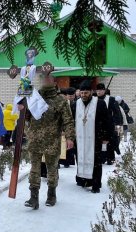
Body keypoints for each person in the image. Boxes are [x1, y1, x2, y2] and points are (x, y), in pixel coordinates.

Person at [18, 75, 75, 210]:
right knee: (34, 169)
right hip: (35, 139)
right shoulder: (34, 97)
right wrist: (22, 109)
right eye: (43, 79)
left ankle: (51, 194)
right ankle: (34, 197)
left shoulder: (60, 100)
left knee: (52, 169)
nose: (45, 81)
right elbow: (27, 116)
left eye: (48, 79)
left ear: (54, 82)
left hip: (52, 140)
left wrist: (70, 137)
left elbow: (68, 120)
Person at [71, 80, 113, 193]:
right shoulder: (75, 104)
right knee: (80, 158)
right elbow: (71, 122)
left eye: (86, 93)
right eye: (82, 93)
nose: (84, 95)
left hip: (95, 138)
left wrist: (106, 137)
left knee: (96, 162)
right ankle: (82, 180)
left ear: (91, 92)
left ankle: (95, 185)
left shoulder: (99, 103)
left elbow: (107, 121)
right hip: (79, 138)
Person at [96, 83, 123, 165]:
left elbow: (116, 112)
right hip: (98, 124)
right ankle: (101, 158)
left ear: (104, 90)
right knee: (99, 142)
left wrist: (117, 124)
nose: (99, 92)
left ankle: (110, 158)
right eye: (97, 90)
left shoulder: (111, 99)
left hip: (109, 124)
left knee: (109, 142)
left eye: (101, 90)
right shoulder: (94, 99)